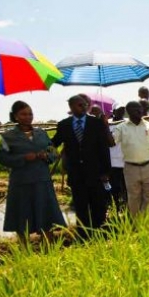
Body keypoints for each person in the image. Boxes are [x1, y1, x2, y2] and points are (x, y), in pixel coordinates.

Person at [0, 101, 66, 245]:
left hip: (42, 181)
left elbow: (53, 151)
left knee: (46, 218)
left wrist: (46, 155)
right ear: (15, 116)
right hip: (21, 183)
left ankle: (49, 250)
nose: (28, 117)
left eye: (30, 114)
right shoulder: (7, 137)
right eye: (23, 114)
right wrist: (23, 158)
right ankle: (25, 252)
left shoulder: (41, 133)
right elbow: (2, 158)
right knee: (22, 219)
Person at [52, 95, 111, 239]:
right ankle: (84, 236)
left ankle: (100, 234)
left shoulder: (96, 123)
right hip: (76, 173)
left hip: (96, 172)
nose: (83, 107)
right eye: (79, 105)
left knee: (98, 204)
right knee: (81, 205)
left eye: (85, 105)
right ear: (71, 107)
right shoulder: (64, 125)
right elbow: (54, 142)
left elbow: (104, 148)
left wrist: (105, 171)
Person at [113, 101, 149, 218]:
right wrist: (104, 126)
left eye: (140, 109)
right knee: (134, 198)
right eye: (136, 109)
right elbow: (111, 143)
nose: (140, 111)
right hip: (131, 168)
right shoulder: (121, 127)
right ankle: (137, 225)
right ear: (129, 111)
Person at [107, 103, 127, 211]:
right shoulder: (108, 123)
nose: (122, 112)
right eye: (119, 110)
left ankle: (127, 207)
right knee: (114, 187)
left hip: (125, 161)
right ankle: (116, 207)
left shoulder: (127, 122)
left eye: (123, 110)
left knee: (126, 186)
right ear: (113, 111)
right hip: (112, 162)